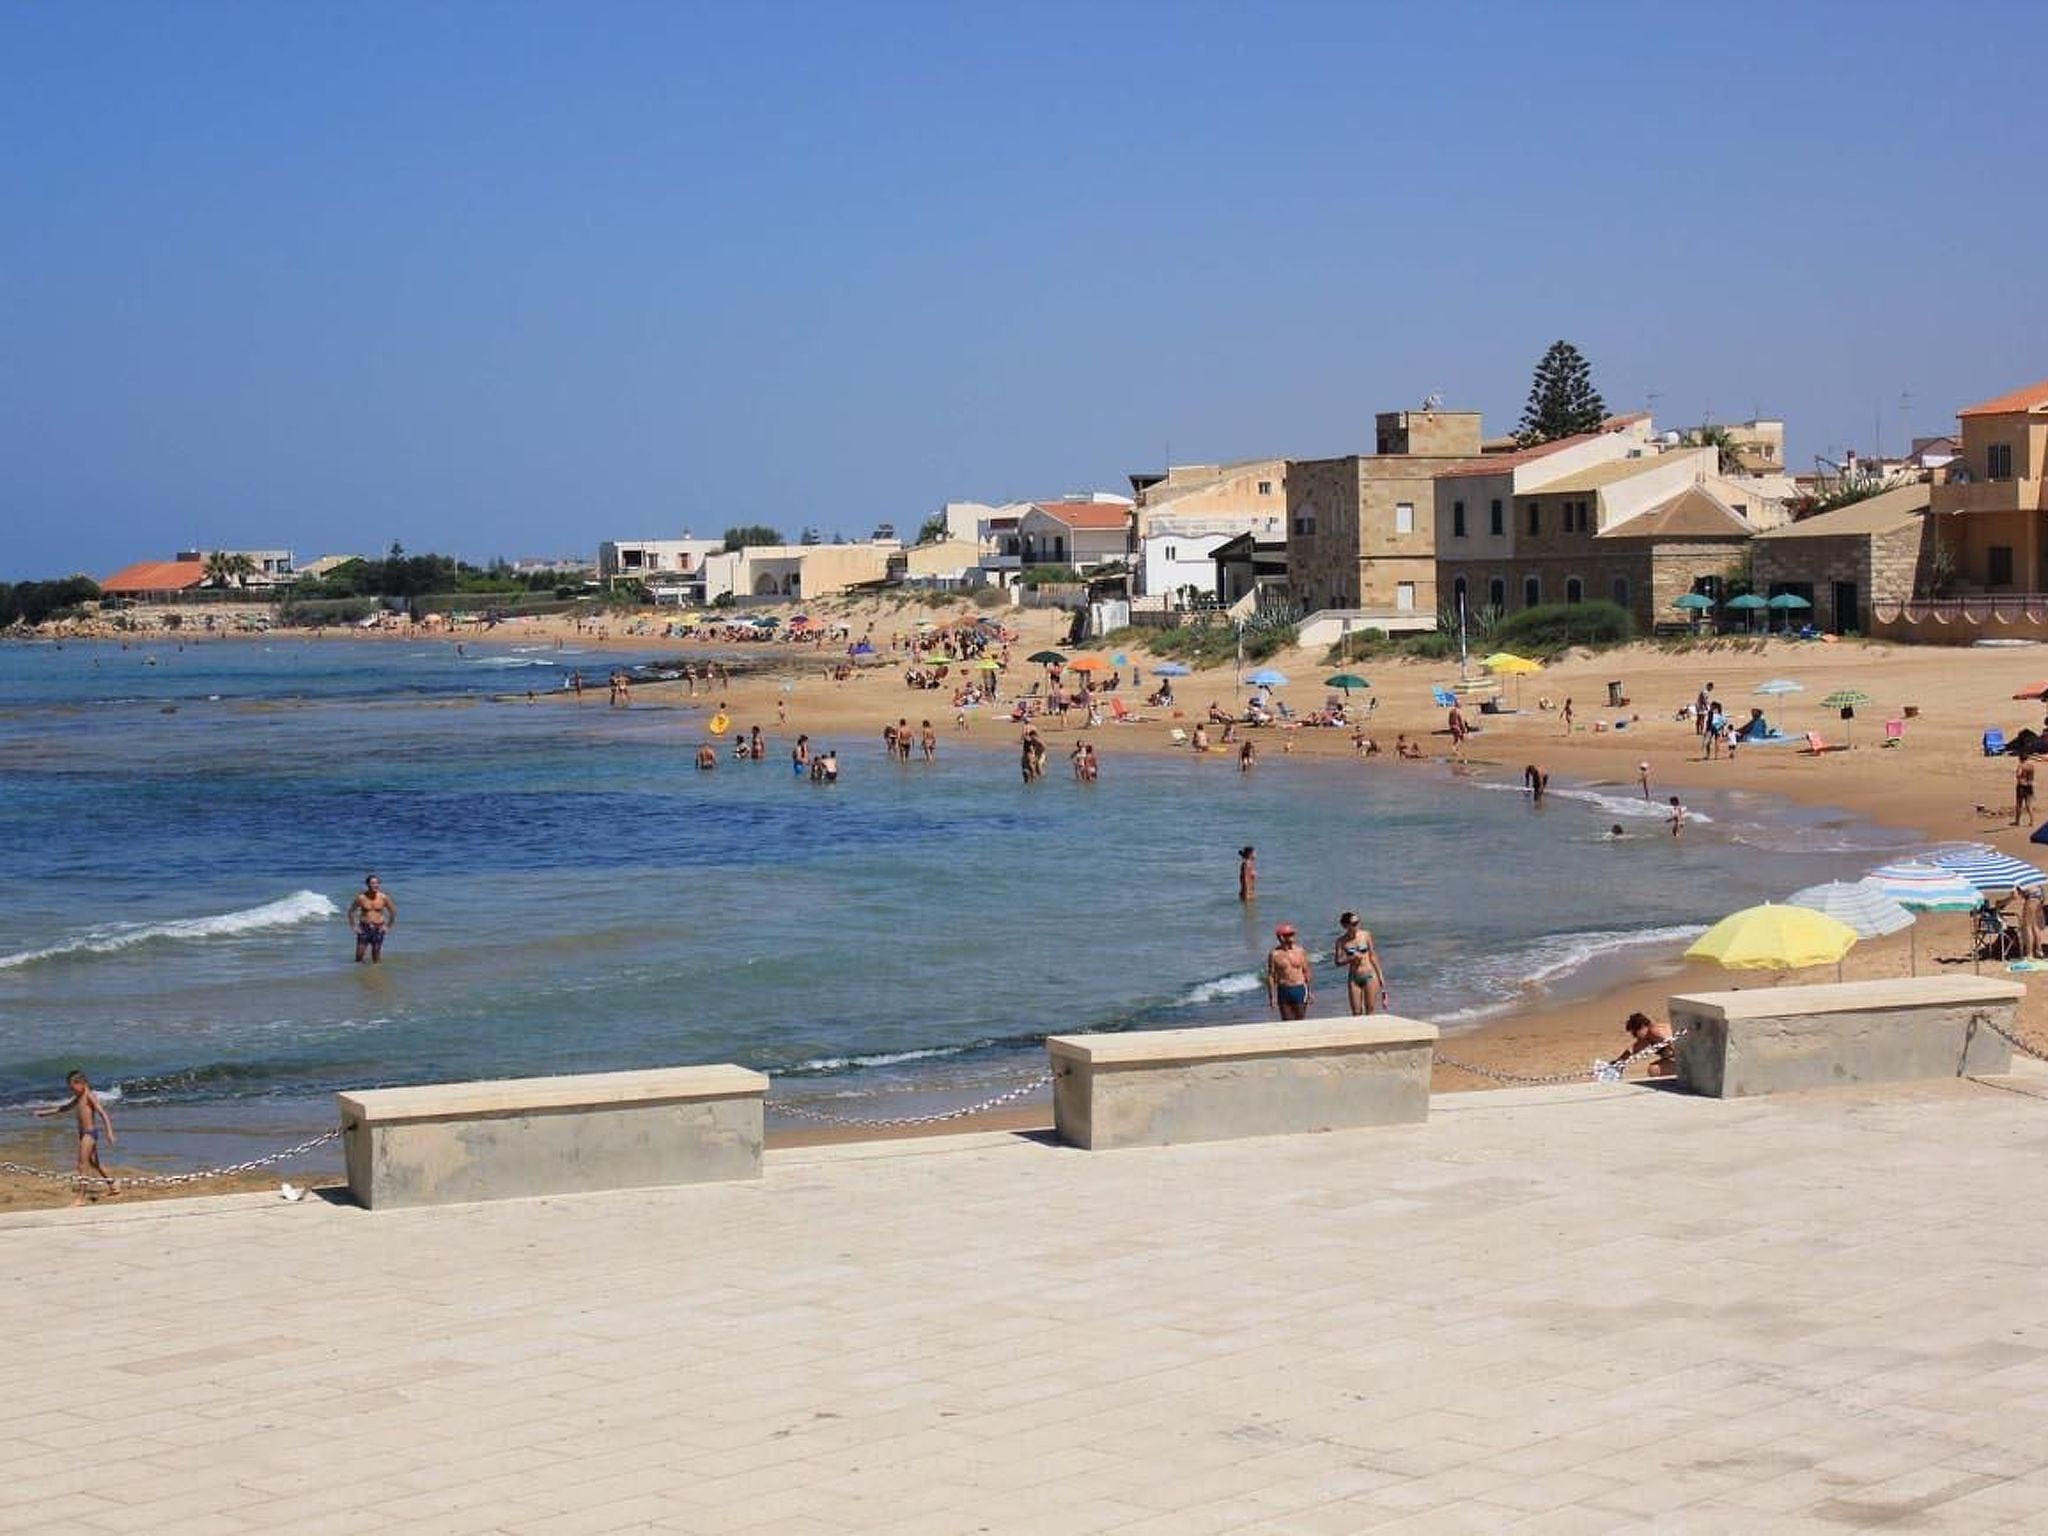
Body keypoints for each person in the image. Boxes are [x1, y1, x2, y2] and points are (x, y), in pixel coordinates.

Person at [32, 1069, 118, 1200]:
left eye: (73, 1088)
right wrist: (44, 1113)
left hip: (89, 1134)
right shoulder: (78, 1097)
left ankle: (81, 1198)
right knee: (94, 1163)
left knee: (81, 1165)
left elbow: (103, 1114)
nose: (72, 1091)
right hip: (83, 1134)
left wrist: (109, 1133)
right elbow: (64, 1108)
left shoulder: (89, 1096)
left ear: (82, 1083)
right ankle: (113, 1186)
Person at [1333, 911, 1386, 1016]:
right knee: (1356, 1012)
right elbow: (1338, 962)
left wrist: (1380, 976)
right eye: (1353, 924)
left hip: (1370, 975)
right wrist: (1351, 958)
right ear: (1345, 926)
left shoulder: (1365, 935)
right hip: (1354, 978)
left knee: (1370, 1010)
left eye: (1358, 922)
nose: (1357, 925)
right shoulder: (1341, 941)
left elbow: (1372, 956)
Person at [1266, 923, 1313, 1020]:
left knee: (1300, 1020)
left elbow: (1307, 972)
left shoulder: (1300, 951)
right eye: (1289, 934)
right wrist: (1272, 997)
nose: (1292, 936)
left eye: (1292, 934)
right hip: (1283, 990)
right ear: (1281, 937)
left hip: (1299, 989)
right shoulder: (1274, 954)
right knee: (1287, 1022)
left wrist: (1310, 992)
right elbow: (1271, 976)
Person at [347, 873, 397, 964]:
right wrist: (354, 926)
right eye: (372, 883)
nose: (375, 885)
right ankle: (361, 975)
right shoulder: (361, 898)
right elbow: (351, 911)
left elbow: (393, 912)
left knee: (376, 957)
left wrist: (388, 926)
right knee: (359, 956)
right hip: (364, 928)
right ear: (367, 884)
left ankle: (375, 975)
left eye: (377, 883)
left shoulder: (383, 897)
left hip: (378, 928)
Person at [1611, 1012, 1677, 1077]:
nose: (1634, 1037)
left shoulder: (1655, 1031)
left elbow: (1676, 1043)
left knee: (1654, 1070)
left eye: (1634, 1033)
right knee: (1654, 1069)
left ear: (1642, 1027)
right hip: (1679, 1060)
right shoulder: (1648, 1036)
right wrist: (1617, 1063)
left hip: (1684, 1060)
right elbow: (1632, 1050)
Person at [2017, 754, 2037, 827]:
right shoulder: (2031, 766)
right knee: (2029, 805)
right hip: (2030, 785)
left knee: (2019, 804)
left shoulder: (2021, 766)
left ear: (2020, 758)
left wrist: (2019, 776)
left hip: (2022, 786)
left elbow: (2018, 774)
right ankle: (2032, 821)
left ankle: (2018, 822)